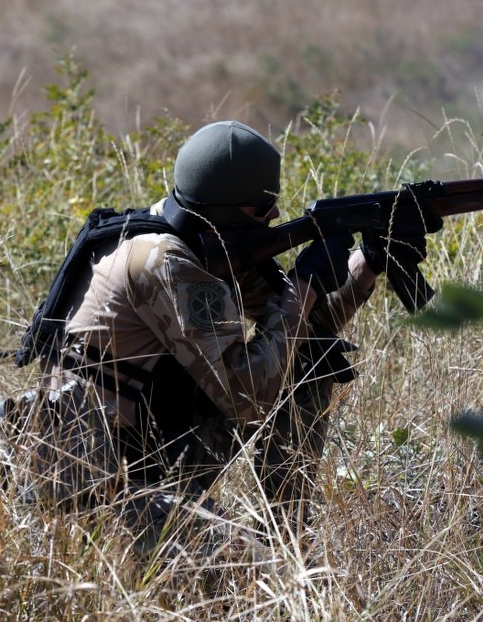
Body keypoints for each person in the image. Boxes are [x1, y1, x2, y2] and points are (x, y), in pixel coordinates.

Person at [25, 120, 437, 555]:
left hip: (146, 451)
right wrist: (303, 285)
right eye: (262, 210)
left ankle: (284, 535)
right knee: (255, 576)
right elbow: (246, 396)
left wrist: (366, 264)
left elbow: (304, 338)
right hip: (98, 485)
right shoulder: (164, 262)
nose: (275, 217)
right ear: (222, 211)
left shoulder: (196, 240)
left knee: (306, 366)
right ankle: (274, 554)